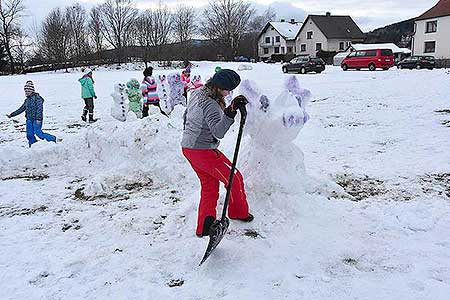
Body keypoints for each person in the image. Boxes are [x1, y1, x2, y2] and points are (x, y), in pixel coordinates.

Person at [181, 69, 253, 237]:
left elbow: (186, 115)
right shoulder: (211, 104)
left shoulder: (198, 92)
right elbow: (218, 132)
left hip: (189, 147)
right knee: (234, 177)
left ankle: (205, 226)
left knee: (209, 186)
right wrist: (230, 112)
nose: (230, 93)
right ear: (221, 87)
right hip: (201, 150)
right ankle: (238, 212)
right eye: (229, 89)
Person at [6, 80, 59, 147]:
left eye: (28, 91)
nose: (27, 93)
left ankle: (52, 139)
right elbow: (21, 109)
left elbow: (40, 109)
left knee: (39, 133)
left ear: (32, 91)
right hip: (29, 120)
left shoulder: (37, 98)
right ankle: (33, 145)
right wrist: (11, 115)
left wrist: (38, 119)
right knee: (29, 135)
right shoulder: (26, 100)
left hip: (36, 120)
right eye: (26, 91)